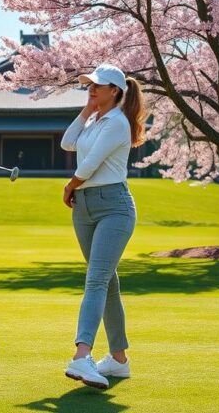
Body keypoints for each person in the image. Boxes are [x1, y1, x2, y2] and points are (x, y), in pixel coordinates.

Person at [59, 64, 147, 390]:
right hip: (84, 210)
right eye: (89, 86)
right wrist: (86, 110)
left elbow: (90, 163)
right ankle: (119, 361)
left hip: (114, 208)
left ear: (116, 91)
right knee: (107, 283)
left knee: (95, 280)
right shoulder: (96, 119)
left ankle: (82, 354)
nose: (91, 89)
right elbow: (68, 143)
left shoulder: (118, 123)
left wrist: (69, 185)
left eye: (98, 86)